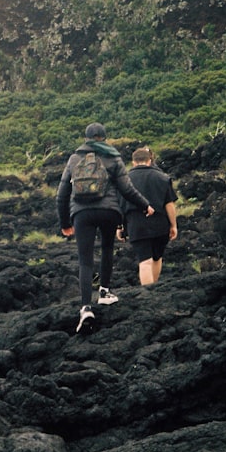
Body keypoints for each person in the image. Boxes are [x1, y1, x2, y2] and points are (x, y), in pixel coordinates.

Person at [58, 123, 154, 333]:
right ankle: (105, 292)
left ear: (86, 138)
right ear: (104, 137)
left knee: (85, 260)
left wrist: (65, 222)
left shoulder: (74, 158)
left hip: (81, 213)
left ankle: (85, 308)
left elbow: (63, 192)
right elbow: (127, 189)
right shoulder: (113, 157)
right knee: (107, 249)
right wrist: (145, 205)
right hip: (109, 211)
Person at [120, 146, 178, 286]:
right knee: (157, 257)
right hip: (160, 223)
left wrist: (119, 226)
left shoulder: (124, 181)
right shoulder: (162, 178)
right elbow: (169, 205)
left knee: (145, 261)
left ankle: (148, 293)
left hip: (136, 224)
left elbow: (120, 206)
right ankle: (154, 288)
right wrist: (173, 225)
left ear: (133, 162)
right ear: (150, 160)